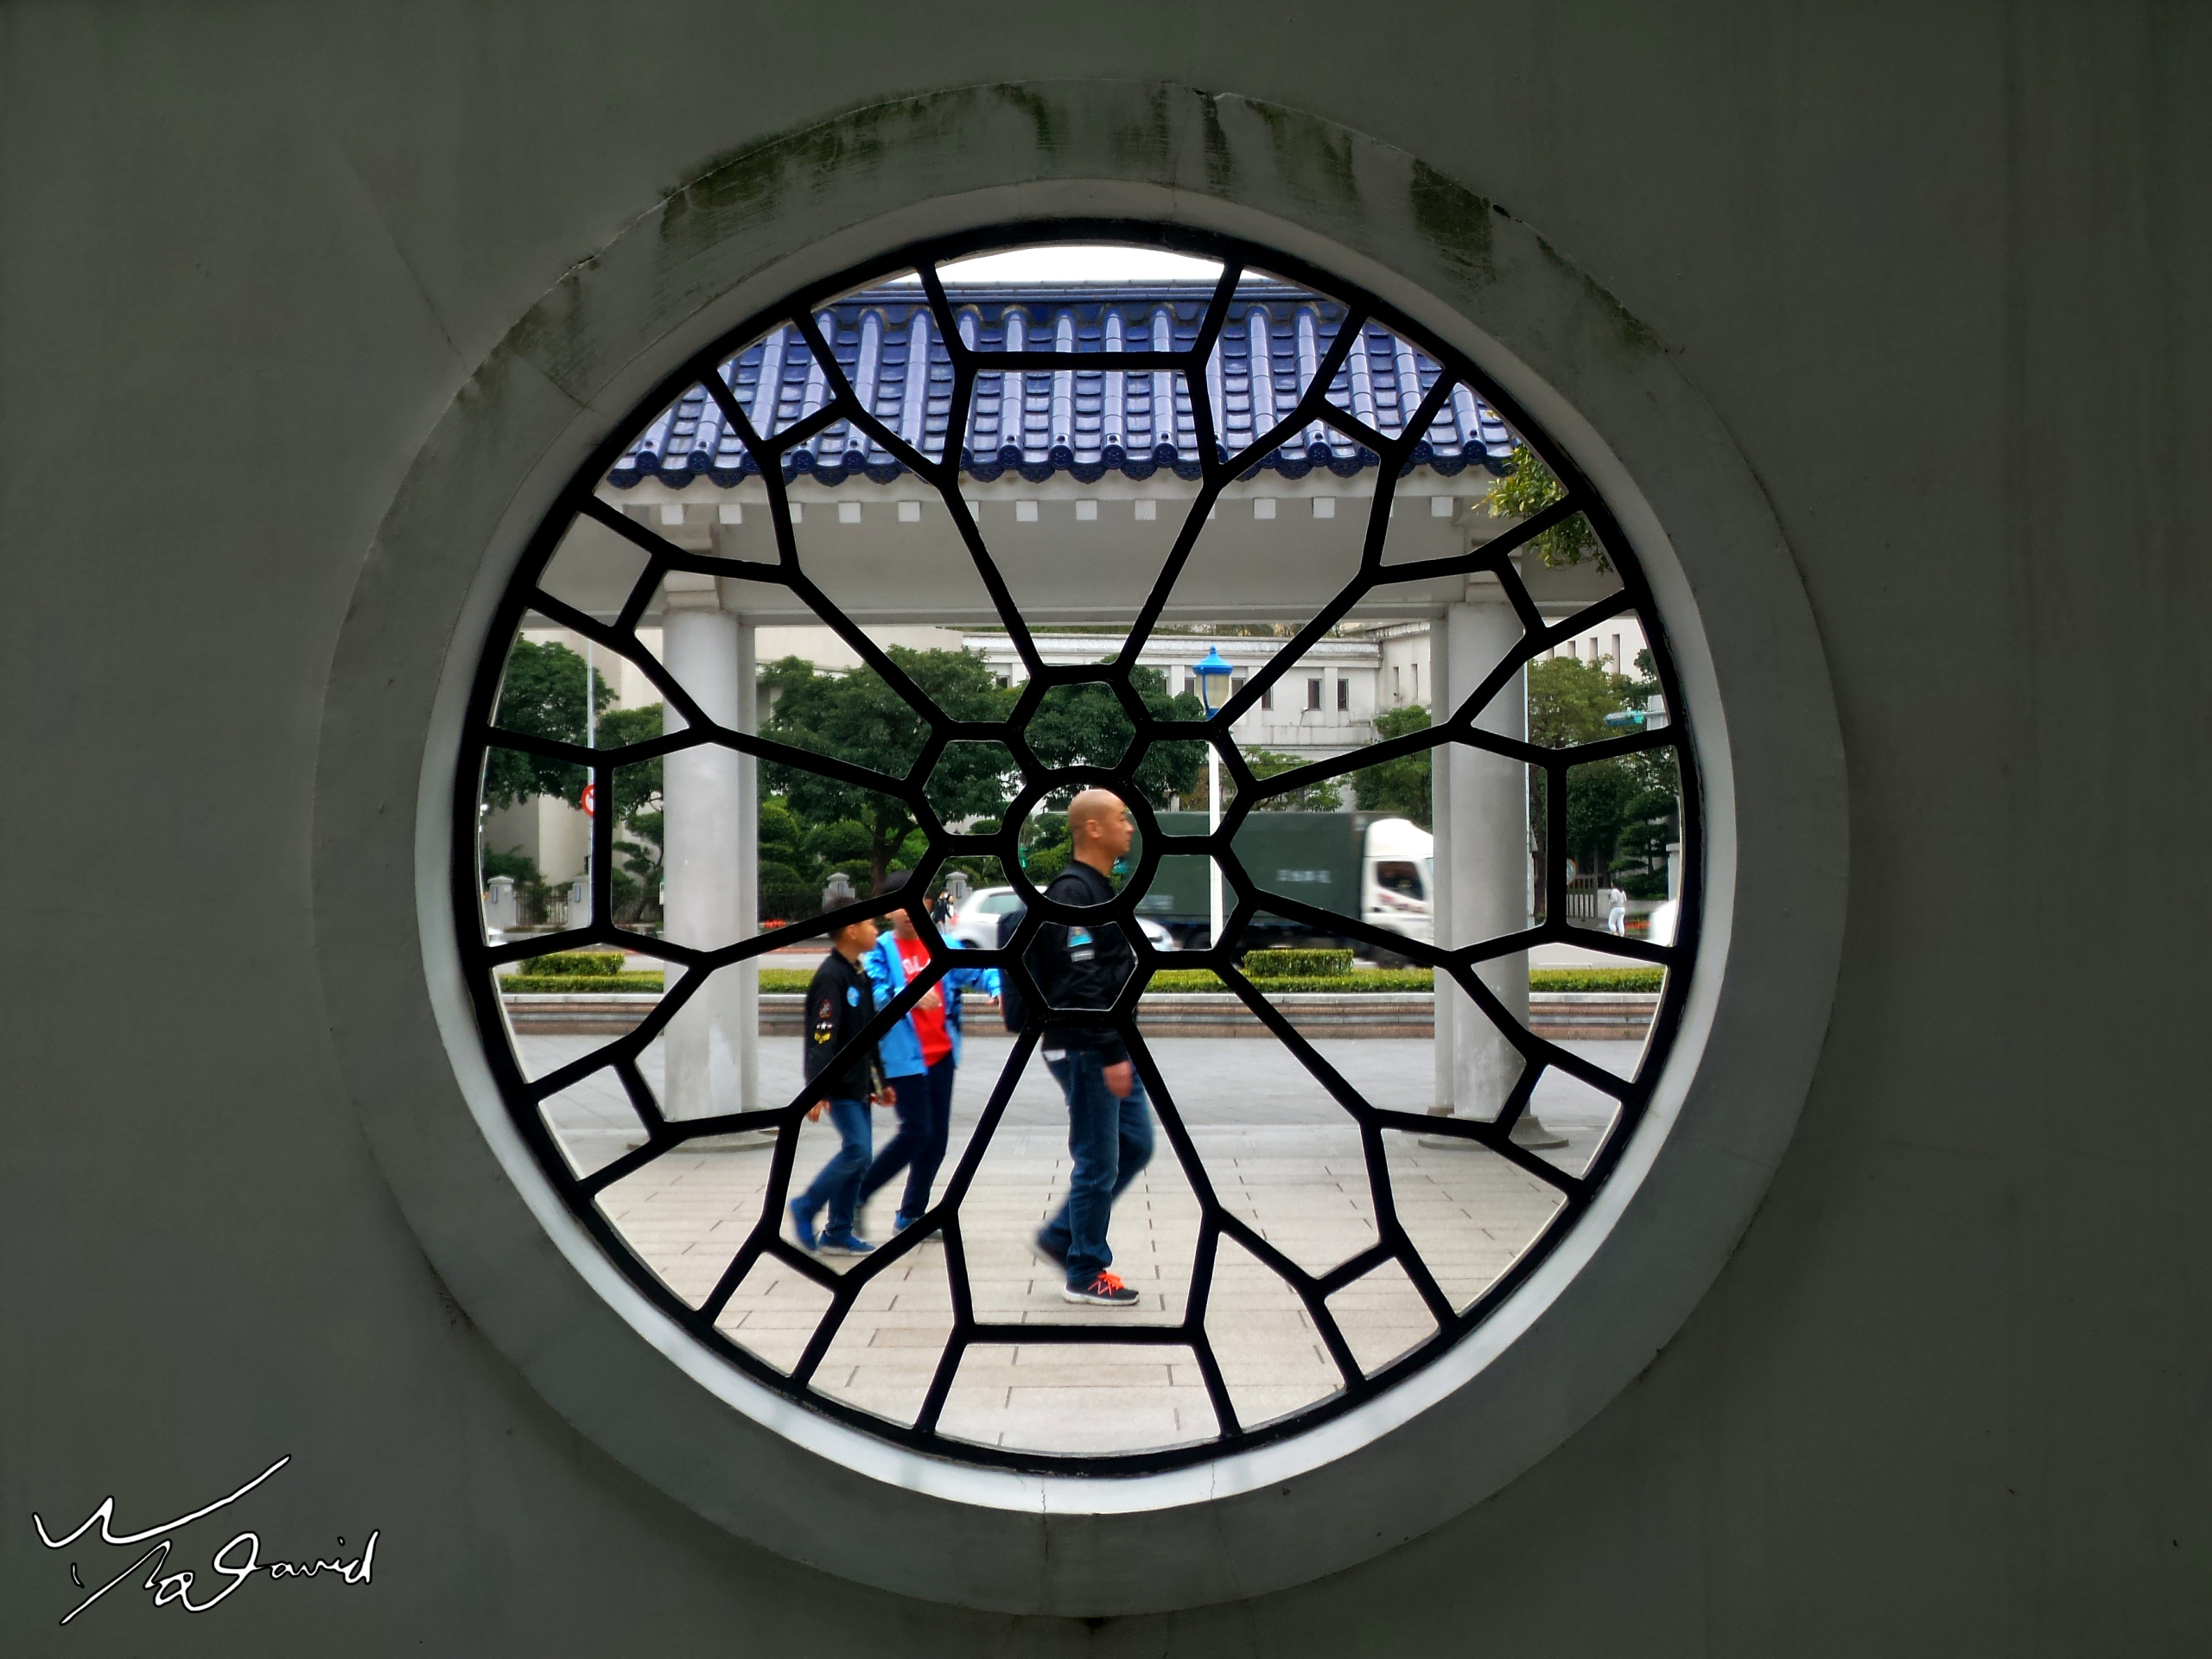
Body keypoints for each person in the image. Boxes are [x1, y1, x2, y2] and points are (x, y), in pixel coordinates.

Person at [1028, 788, 1152, 1307]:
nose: (1130, 826)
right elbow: (1082, 983)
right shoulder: (1072, 893)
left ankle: (1063, 1236)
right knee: (1098, 1159)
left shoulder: (1101, 888)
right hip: (1085, 1046)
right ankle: (1084, 1270)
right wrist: (1111, 1053)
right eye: (1122, 818)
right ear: (1094, 829)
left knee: (1136, 1143)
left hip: (1106, 1043)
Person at [860, 875, 1001, 1236]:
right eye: (899, 903)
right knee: (916, 1131)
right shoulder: (879, 951)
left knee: (935, 1140)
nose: (909, 910)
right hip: (903, 1060)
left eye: (917, 899)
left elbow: (982, 971)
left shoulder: (943, 944)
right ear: (887, 911)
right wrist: (911, 994)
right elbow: (876, 994)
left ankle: (910, 1215)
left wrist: (996, 988)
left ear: (928, 903)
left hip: (941, 1057)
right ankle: (858, 1194)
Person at [789, 910, 892, 1256]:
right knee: (858, 1150)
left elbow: (869, 1033)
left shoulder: (857, 973)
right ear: (851, 930)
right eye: (870, 923)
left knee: (860, 1157)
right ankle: (805, 1206)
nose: (875, 929)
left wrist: (879, 1081)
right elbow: (822, 1038)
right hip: (839, 1084)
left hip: (858, 1082)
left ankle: (837, 1232)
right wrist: (817, 1089)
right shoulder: (831, 977)